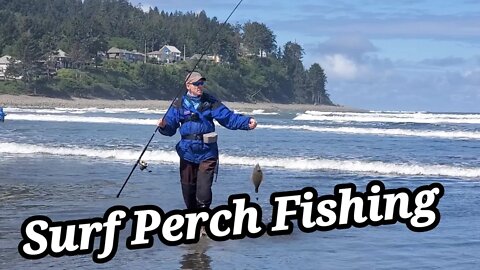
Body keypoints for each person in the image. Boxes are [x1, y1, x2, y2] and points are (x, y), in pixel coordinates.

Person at [157, 71, 257, 210]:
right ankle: (192, 220)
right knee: (188, 191)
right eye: (196, 83)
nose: (200, 86)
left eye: (201, 83)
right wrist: (163, 126)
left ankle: (204, 223)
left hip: (207, 152)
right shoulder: (178, 104)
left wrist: (247, 123)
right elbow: (170, 128)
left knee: (203, 192)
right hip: (187, 152)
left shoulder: (210, 102)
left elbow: (228, 118)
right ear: (188, 85)